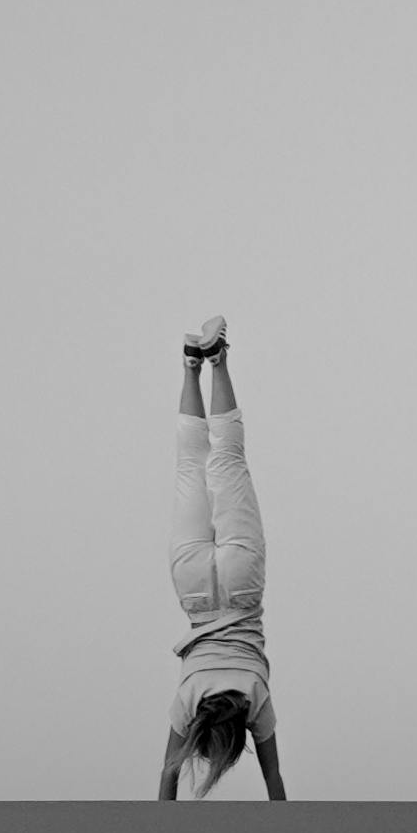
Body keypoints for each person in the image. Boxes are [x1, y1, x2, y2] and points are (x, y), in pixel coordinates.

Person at [159, 314, 286, 799]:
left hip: (241, 584)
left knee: (229, 459)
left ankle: (218, 360)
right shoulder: (187, 701)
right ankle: (191, 365)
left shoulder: (255, 700)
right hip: (194, 589)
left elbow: (275, 782)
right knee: (190, 466)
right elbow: (167, 778)